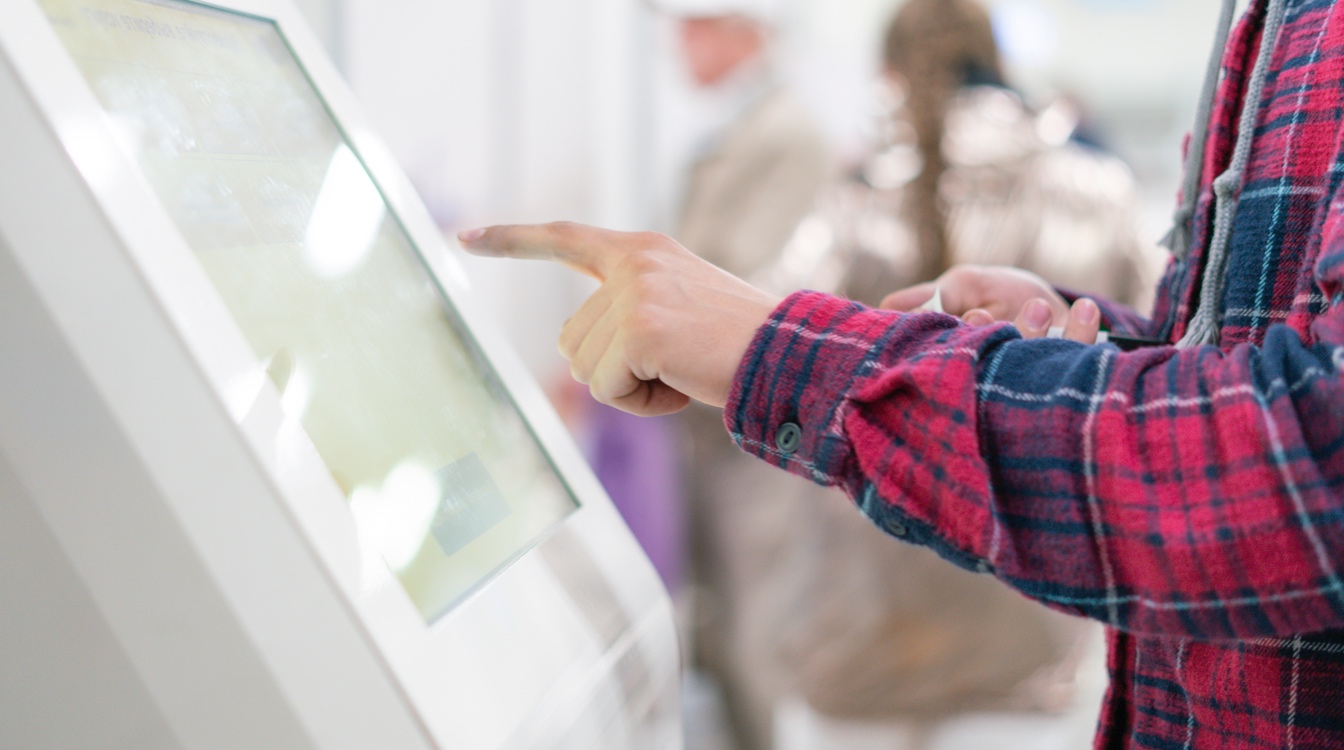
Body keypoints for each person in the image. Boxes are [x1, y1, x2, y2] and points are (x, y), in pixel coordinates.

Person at [460, 0, 1344, 746]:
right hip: (1039, 636)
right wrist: (1092, 345)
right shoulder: (1109, 171)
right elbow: (1214, 371)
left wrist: (775, 345)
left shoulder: (848, 189)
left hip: (869, 616)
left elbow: (1306, 447)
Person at [658, 2, 835, 748]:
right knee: (723, 611)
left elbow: (745, 280)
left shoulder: (786, 133)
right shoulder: (741, 125)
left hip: (749, 417)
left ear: (743, 30)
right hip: (710, 418)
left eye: (696, 24)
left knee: (756, 617)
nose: (679, 41)